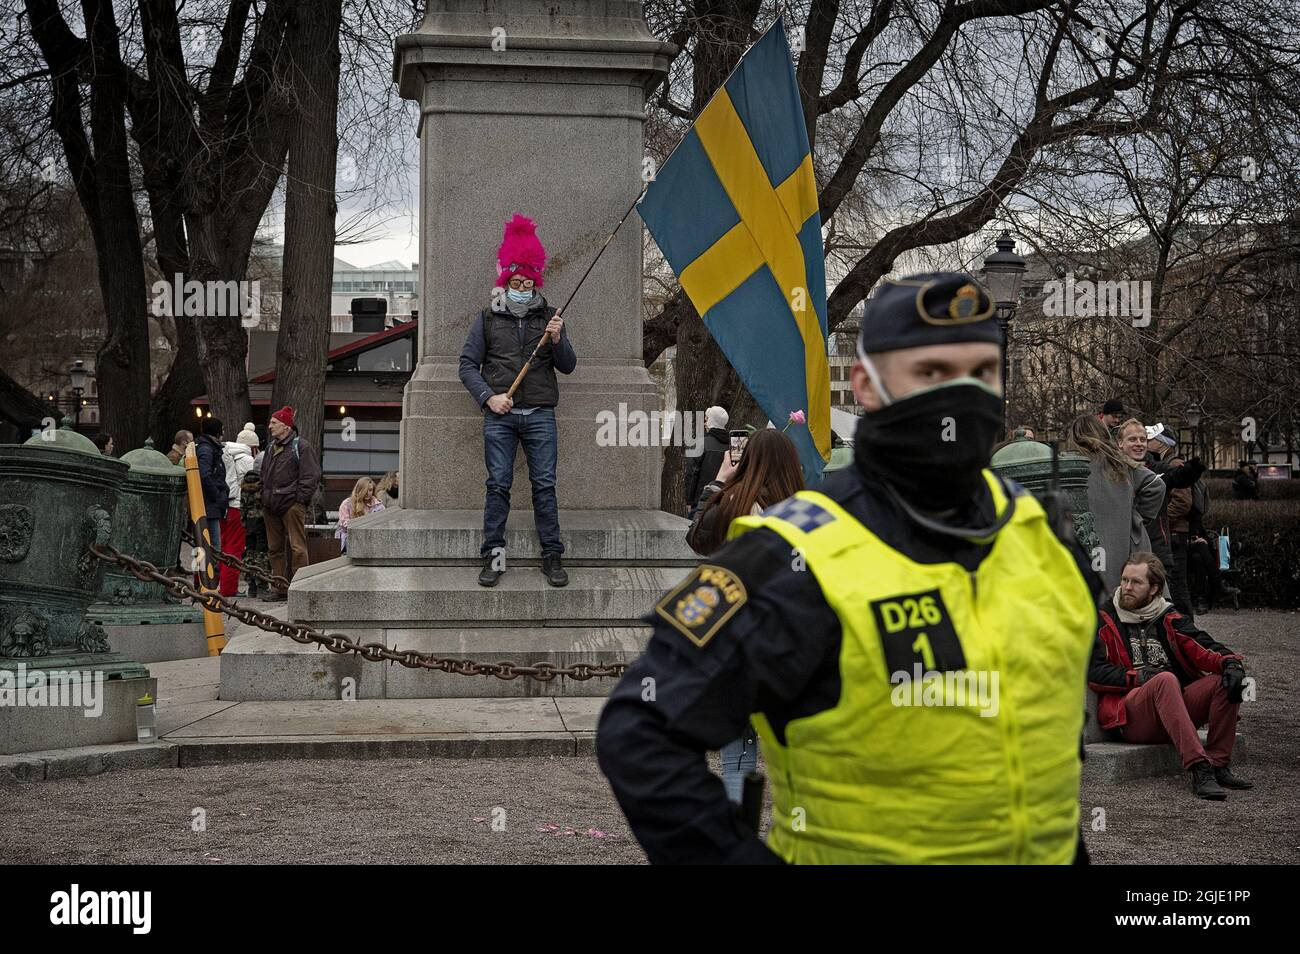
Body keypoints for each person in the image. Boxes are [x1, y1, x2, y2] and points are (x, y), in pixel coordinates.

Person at [597, 272, 1102, 864]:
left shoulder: (1044, 533)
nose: (959, 395)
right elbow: (641, 730)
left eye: (980, 373)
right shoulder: (792, 556)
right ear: (865, 384)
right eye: (930, 372)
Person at [684, 429, 804, 803]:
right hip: (792, 645)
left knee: (739, 754)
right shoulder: (807, 511)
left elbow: (697, 538)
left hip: (737, 644)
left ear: (746, 460)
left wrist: (720, 480)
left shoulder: (733, 502)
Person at [459, 214, 577, 589]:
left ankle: (552, 557)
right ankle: (494, 557)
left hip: (541, 414)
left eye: (528, 282)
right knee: (498, 485)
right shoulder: (487, 319)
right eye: (516, 282)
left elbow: (569, 367)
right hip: (501, 417)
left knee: (545, 485)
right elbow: (466, 365)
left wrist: (558, 340)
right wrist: (488, 398)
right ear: (505, 281)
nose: (522, 287)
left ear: (536, 280)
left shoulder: (551, 317)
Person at [1087, 552, 1250, 800]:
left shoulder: (1168, 617)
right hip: (1131, 716)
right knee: (1164, 679)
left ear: (1154, 589)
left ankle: (1217, 764)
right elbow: (1095, 672)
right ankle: (1199, 768)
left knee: (1223, 680)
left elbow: (1202, 644)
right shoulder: (1104, 619)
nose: (1127, 587)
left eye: (1136, 582)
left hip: (1174, 709)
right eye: (1124, 580)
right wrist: (1139, 677)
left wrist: (1230, 663)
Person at [1066, 414, 1163, 592]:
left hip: (1084, 545)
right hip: (1122, 542)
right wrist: (1136, 515)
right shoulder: (1119, 462)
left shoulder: (1068, 465)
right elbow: (1156, 485)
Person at [1142, 423, 1205, 618]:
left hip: (1175, 532)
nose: (1145, 443)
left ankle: (1186, 630)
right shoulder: (1163, 463)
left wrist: (1157, 519)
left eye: (1149, 439)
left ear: (1161, 444)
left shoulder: (1173, 463)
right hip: (1172, 531)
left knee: (1177, 585)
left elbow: (1182, 501)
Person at [260, 405, 321, 601]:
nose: (270, 426)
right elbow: (264, 475)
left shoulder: (301, 446)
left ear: (286, 426)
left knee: (297, 547)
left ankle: (300, 588)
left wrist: (299, 501)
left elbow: (310, 476)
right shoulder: (271, 447)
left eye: (274, 423)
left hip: (291, 504)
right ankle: (279, 588)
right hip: (271, 504)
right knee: (274, 548)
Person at [215, 425, 259, 597]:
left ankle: (217, 583)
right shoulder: (248, 461)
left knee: (222, 545)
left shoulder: (223, 455)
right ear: (253, 447)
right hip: (237, 507)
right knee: (234, 549)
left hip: (223, 506)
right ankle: (228, 588)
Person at [684, 406, 730, 516]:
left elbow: (691, 474)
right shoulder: (733, 446)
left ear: (711, 421)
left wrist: (689, 501)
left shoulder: (700, 443)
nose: (705, 423)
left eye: (706, 419)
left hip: (702, 501)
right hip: (727, 501)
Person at [194, 418, 228, 555]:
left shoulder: (206, 447)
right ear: (217, 432)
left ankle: (202, 575)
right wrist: (217, 495)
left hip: (208, 503)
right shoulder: (207, 449)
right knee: (213, 546)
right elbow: (205, 475)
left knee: (205, 545)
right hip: (209, 504)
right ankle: (208, 576)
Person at [240, 467, 269, 600]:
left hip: (249, 523)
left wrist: (244, 521)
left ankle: (251, 585)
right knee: (261, 554)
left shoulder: (244, 487)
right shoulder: (262, 487)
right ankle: (262, 584)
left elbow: (242, 507)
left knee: (249, 552)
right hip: (262, 522)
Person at [335, 477, 385, 554]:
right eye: (365, 490)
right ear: (360, 490)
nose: (368, 493)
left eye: (370, 490)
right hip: (351, 537)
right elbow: (345, 525)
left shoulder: (378, 505)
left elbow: (383, 523)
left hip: (372, 536)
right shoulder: (347, 504)